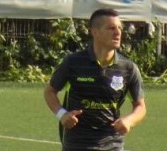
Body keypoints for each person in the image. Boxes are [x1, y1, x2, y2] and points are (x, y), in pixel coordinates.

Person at [45, 8, 146, 151]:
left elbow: (140, 106)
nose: (118, 33)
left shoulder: (128, 68)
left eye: (119, 28)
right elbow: (50, 91)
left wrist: (129, 121)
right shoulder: (73, 63)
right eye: (111, 28)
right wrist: (62, 114)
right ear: (95, 32)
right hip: (77, 144)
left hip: (112, 143)